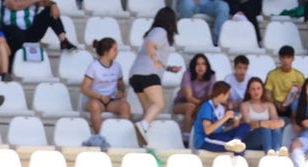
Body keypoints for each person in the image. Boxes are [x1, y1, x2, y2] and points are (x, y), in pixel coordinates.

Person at [128, 7, 181, 144]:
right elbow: (150, 45)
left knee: (148, 110)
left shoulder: (154, 31)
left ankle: (141, 141)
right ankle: (143, 126)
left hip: (136, 75)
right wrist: (154, 59)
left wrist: (168, 68)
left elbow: (152, 51)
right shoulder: (161, 31)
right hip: (148, 73)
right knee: (159, 104)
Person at [0, 0, 77, 58]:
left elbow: (46, 2)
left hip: (30, 32)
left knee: (50, 11)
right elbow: (15, 6)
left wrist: (53, 4)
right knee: (14, 30)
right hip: (10, 32)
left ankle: (64, 41)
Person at [81, 37, 129, 135]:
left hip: (111, 100)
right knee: (94, 106)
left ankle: (122, 136)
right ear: (106, 52)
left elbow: (121, 84)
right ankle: (101, 137)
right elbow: (84, 88)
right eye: (114, 50)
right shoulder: (94, 66)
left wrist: (121, 91)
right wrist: (100, 97)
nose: (117, 52)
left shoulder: (117, 66)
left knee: (125, 106)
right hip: (96, 100)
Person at [192, 81, 250, 153]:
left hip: (218, 136)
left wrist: (233, 126)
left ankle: (236, 140)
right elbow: (207, 131)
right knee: (237, 148)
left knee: (245, 126)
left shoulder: (220, 108)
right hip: (205, 140)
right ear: (222, 95)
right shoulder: (207, 107)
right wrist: (225, 118)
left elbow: (221, 129)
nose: (229, 96)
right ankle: (235, 145)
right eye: (228, 94)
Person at [173, 53, 216, 140]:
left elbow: (211, 96)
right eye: (197, 64)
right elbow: (189, 98)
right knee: (191, 107)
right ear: (193, 66)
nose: (200, 67)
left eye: (203, 64)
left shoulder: (211, 76)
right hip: (182, 104)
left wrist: (204, 105)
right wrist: (203, 105)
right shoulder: (188, 74)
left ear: (207, 66)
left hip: (202, 104)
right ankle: (186, 138)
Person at [240, 76, 286, 154]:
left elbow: (275, 121)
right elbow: (248, 125)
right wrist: (261, 123)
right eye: (253, 89)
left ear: (262, 90)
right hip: (251, 138)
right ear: (248, 91)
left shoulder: (269, 105)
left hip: (266, 138)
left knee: (276, 129)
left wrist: (276, 123)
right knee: (265, 129)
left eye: (258, 88)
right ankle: (269, 153)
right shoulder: (245, 105)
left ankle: (277, 151)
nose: (256, 91)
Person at [265, 44, 305, 119]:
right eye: (283, 57)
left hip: (292, 106)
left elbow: (303, 94)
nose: (285, 61)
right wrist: (275, 103)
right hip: (275, 105)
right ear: (279, 58)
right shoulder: (272, 74)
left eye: (288, 57)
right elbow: (267, 93)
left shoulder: (299, 76)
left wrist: (292, 103)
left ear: (293, 59)